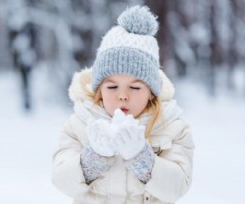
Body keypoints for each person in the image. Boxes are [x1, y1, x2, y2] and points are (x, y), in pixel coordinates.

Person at [52, 5, 195, 204]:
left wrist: (142, 158)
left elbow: (178, 186)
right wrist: (92, 159)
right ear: (99, 89)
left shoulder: (173, 128)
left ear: (151, 92)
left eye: (135, 88)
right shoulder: (80, 124)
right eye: (112, 87)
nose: (123, 96)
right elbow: (61, 179)